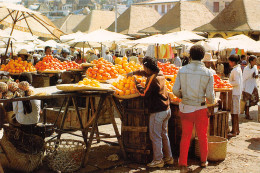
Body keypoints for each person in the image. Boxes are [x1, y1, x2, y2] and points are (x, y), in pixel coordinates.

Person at [173, 45, 215, 172]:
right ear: (203, 57)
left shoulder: (182, 70)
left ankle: (182, 163)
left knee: (185, 136)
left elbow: (175, 90)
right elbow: (210, 96)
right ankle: (203, 161)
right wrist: (212, 102)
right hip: (201, 108)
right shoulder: (208, 73)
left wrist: (183, 96)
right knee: (203, 136)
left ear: (190, 55)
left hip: (186, 108)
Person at [127, 56, 173, 168]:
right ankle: (169, 158)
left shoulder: (153, 79)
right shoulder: (160, 73)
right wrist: (135, 72)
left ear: (147, 67)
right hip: (166, 110)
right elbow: (146, 73)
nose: (144, 69)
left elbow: (144, 93)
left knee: (155, 136)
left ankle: (158, 160)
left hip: (158, 112)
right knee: (163, 134)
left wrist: (136, 83)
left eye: (144, 67)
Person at [227, 54, 243, 138]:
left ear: (233, 62)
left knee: (234, 113)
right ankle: (237, 129)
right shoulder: (237, 69)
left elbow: (236, 82)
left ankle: (234, 131)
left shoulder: (236, 70)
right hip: (236, 93)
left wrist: (228, 83)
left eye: (230, 61)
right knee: (235, 112)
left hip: (235, 93)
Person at [242, 55, 259, 120]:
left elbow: (256, 74)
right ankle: (247, 114)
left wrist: (256, 75)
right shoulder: (246, 69)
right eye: (255, 60)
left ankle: (247, 113)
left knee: (255, 99)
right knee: (247, 101)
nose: (256, 62)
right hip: (247, 86)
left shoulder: (254, 67)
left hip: (253, 85)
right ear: (251, 61)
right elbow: (244, 77)